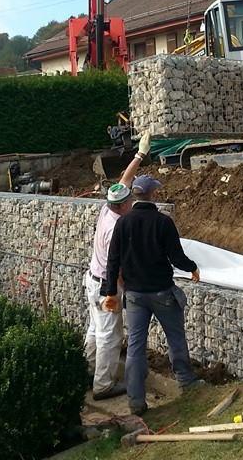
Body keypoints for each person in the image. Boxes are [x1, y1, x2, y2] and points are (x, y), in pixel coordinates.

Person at [100, 175, 201, 415]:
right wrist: (192, 268)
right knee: (175, 338)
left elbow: (112, 261)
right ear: (153, 194)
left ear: (134, 196)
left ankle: (136, 401)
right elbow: (176, 256)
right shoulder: (162, 222)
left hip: (134, 295)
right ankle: (186, 381)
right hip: (162, 292)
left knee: (135, 346)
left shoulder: (123, 224)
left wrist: (111, 292)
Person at [84, 133, 150, 400]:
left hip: (92, 281)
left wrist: (140, 155)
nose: (132, 203)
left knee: (94, 329)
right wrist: (122, 291)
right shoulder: (116, 229)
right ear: (123, 205)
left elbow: (125, 179)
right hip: (106, 287)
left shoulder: (107, 208)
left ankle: (87, 371)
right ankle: (103, 386)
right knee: (109, 337)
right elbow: (117, 267)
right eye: (130, 202)